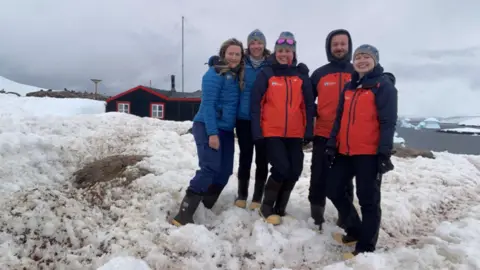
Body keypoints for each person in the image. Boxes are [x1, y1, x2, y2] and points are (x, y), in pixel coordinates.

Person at [325, 44, 397, 259]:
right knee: (334, 188)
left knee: (368, 198)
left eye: (367, 57)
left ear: (375, 60)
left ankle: (366, 247)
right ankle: (355, 229)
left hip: (369, 153)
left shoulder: (383, 86)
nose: (362, 61)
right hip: (345, 151)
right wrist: (331, 143)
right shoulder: (349, 87)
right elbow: (339, 118)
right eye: (358, 57)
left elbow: (387, 122)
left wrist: (384, 152)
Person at [171, 38, 245, 226]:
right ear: (223, 54)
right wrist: (212, 133)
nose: (234, 57)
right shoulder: (213, 74)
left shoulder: (237, 75)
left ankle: (206, 206)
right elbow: (209, 105)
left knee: (225, 171)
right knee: (210, 167)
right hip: (207, 126)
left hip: (227, 130)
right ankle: (184, 214)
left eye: (237, 54)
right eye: (231, 53)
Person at [251, 31, 315, 225]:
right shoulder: (267, 73)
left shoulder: (301, 76)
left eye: (288, 50)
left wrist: (308, 130)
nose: (284, 54)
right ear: (275, 52)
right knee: (280, 167)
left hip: (295, 133)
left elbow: (308, 105)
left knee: (295, 169)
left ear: (293, 53)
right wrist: (257, 131)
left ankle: (280, 206)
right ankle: (266, 207)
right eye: (280, 51)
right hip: (272, 132)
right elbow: (256, 104)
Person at [308, 29, 355, 231]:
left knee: (346, 178)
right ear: (329, 47)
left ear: (348, 46)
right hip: (323, 134)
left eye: (343, 44)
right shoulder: (319, 74)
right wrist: (317, 112)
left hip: (349, 135)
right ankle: (316, 215)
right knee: (318, 175)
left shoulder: (357, 72)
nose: (339, 48)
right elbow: (307, 100)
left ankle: (345, 216)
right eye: (335, 44)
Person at [233, 29, 270, 210]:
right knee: (245, 156)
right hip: (244, 118)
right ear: (248, 45)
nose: (256, 46)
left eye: (259, 43)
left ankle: (257, 197)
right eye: (253, 43)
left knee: (262, 158)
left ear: (264, 45)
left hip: (264, 119)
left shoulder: (271, 64)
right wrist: (213, 61)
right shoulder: (241, 62)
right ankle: (242, 194)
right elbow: (225, 63)